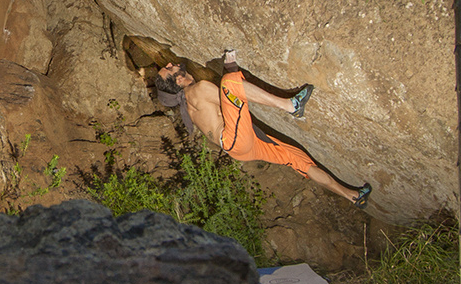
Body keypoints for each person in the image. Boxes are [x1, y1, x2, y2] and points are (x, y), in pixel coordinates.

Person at [154, 49, 371, 206]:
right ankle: (290, 106)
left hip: (239, 149)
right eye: (169, 69)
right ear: (180, 80)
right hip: (234, 138)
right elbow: (231, 96)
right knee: (229, 82)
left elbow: (230, 107)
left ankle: (353, 196)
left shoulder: (189, 103)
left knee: (297, 160)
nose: (171, 64)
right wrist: (231, 67)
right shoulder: (198, 90)